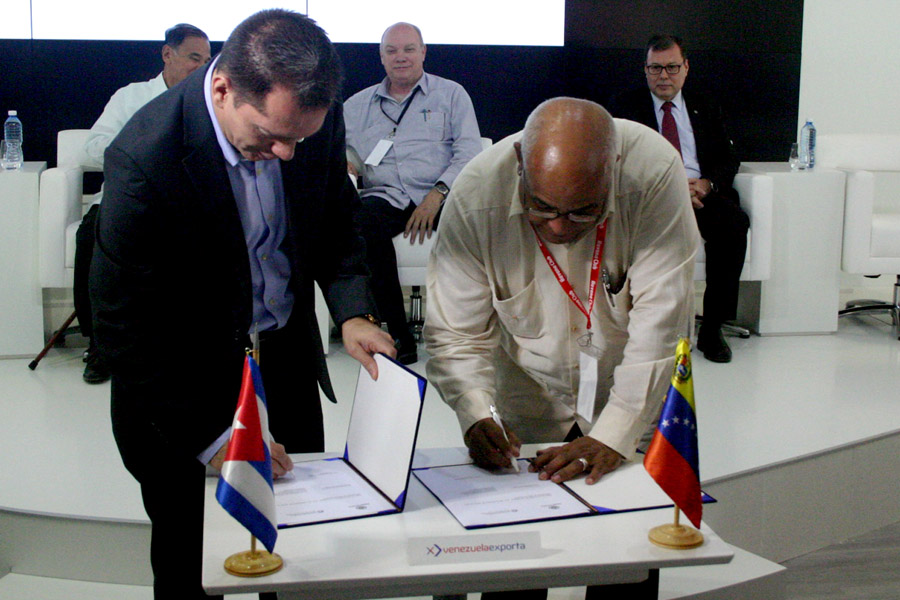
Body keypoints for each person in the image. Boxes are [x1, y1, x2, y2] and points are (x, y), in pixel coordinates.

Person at [90, 10, 395, 599]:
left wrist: (353, 310)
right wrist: (212, 438)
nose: (285, 152)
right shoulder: (145, 156)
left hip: (282, 362)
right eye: (270, 135)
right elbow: (122, 326)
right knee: (191, 560)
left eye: (298, 139)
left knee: (301, 549)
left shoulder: (308, 120)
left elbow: (336, 218)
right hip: (181, 388)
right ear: (223, 86)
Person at [425, 97, 699, 599]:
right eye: (542, 207)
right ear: (518, 168)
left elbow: (663, 324)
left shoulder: (654, 174)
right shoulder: (475, 196)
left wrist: (616, 434)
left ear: (613, 171)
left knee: (627, 559)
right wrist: (476, 413)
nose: (558, 226)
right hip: (526, 388)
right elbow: (456, 334)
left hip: (629, 383)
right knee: (515, 562)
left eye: (584, 211)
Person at [76, 23, 211, 384]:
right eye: (193, 58)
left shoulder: (213, 101)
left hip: (187, 203)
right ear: (168, 54)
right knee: (91, 237)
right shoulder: (131, 96)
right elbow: (92, 147)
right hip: (128, 196)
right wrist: (140, 154)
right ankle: (100, 346)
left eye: (207, 61)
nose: (201, 68)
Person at [343, 22, 482, 365]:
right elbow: (343, 152)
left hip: (441, 192)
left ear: (423, 52)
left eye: (408, 49)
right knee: (359, 225)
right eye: (391, 51)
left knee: (477, 228)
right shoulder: (356, 105)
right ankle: (398, 335)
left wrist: (435, 196)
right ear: (381, 57)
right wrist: (348, 166)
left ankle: (466, 335)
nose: (400, 57)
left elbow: (469, 152)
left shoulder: (451, 94)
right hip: (386, 195)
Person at [609, 34, 749, 363]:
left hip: (698, 193)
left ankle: (713, 328)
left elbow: (729, 159)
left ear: (685, 68)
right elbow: (616, 159)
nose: (664, 76)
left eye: (672, 67)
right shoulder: (625, 106)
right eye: (655, 68)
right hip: (651, 197)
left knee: (733, 223)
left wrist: (707, 184)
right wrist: (667, 186)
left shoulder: (706, 102)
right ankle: (638, 328)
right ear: (645, 70)